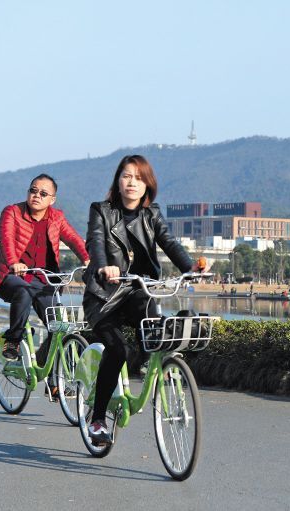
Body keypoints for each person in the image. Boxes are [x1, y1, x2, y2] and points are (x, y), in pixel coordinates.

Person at [82, 155, 202, 446]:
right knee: (117, 349)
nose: (132, 182)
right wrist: (103, 266)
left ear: (148, 183)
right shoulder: (102, 210)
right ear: (118, 181)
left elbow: (169, 242)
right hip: (105, 296)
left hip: (138, 291)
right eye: (126, 176)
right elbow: (95, 242)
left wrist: (190, 268)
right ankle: (98, 419)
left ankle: (152, 362)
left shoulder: (152, 214)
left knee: (156, 324)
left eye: (138, 177)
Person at [0, 173, 89, 373]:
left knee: (59, 327)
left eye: (43, 193)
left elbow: (73, 239)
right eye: (33, 190)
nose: (36, 196)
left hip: (45, 281)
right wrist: (13, 263)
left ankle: (53, 376)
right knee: (23, 292)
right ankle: (13, 340)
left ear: (52, 199)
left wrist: (88, 260)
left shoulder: (56, 217)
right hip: (12, 277)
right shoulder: (12, 212)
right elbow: (6, 240)